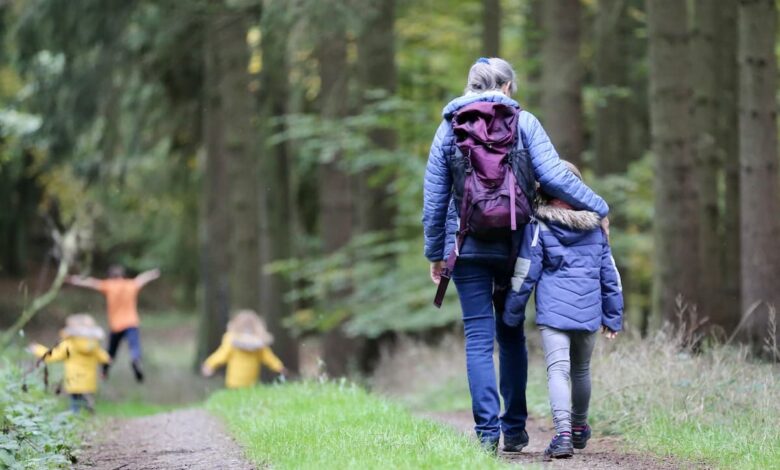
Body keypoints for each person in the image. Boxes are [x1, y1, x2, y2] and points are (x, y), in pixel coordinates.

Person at [422, 57, 610, 452]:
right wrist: (600, 208)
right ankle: (515, 430)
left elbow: (435, 200)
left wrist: (436, 253)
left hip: (467, 245)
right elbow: (557, 176)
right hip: (517, 245)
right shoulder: (525, 122)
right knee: (511, 334)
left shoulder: (448, 129)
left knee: (477, 337)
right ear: (507, 86)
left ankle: (487, 435)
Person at [505, 161, 623, 459]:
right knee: (581, 370)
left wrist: (512, 311)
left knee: (558, 371)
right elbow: (610, 275)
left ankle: (563, 435)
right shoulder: (596, 227)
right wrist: (613, 315)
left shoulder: (539, 225)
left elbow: (525, 271)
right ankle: (580, 427)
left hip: (554, 313)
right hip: (588, 310)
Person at [66, 265, 160, 382]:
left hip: (116, 326)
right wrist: (153, 273)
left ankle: (104, 372)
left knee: (111, 351)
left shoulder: (109, 285)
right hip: (131, 323)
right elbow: (142, 279)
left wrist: (74, 280)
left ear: (111, 276)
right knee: (134, 346)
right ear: (122, 275)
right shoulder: (130, 284)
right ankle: (135, 360)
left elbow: (91, 283)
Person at [29, 314, 111, 413]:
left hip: (74, 380)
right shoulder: (94, 345)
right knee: (85, 398)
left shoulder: (69, 344)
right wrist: (107, 363)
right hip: (89, 380)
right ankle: (87, 410)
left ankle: (76, 415)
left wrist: (37, 349)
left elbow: (52, 355)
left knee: (75, 402)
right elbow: (105, 358)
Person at [201, 310, 287, 388]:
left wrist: (209, 364)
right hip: (251, 382)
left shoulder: (231, 339)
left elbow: (222, 354)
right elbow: (269, 357)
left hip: (233, 382)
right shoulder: (258, 342)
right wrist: (278, 366)